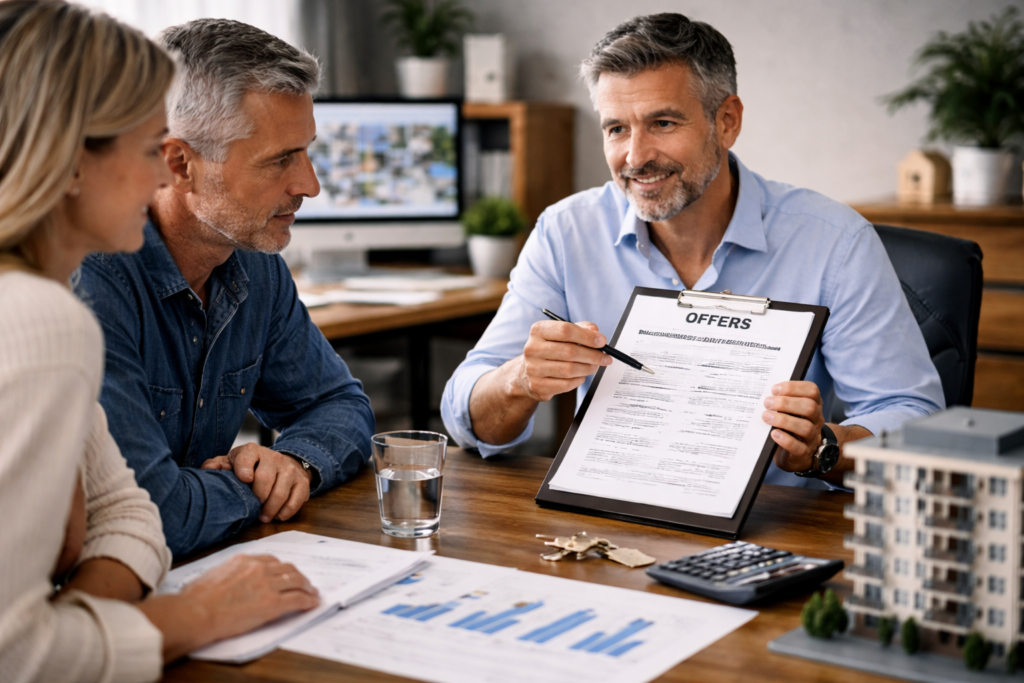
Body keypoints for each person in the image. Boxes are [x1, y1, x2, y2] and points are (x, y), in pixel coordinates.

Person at [441, 13, 944, 488]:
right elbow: (466, 415)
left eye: (663, 123)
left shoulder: (835, 241)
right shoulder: (565, 231)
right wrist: (519, 381)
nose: (636, 157)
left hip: (773, 528)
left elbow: (912, 417)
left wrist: (823, 448)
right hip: (606, 519)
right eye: (616, 129)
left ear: (727, 121)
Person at [0, 3, 320, 680]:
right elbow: (15, 654)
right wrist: (195, 614)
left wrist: (84, 625)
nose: (158, 182)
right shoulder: (42, 317)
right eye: (150, 150)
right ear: (70, 162)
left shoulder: (44, 300)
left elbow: (129, 513)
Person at [74, 18, 375, 556]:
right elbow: (152, 513)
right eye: (280, 160)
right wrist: (251, 488)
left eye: (306, 151)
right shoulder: (92, 284)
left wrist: (295, 463)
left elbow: (340, 404)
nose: (310, 185)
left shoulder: (254, 263)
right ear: (179, 164)